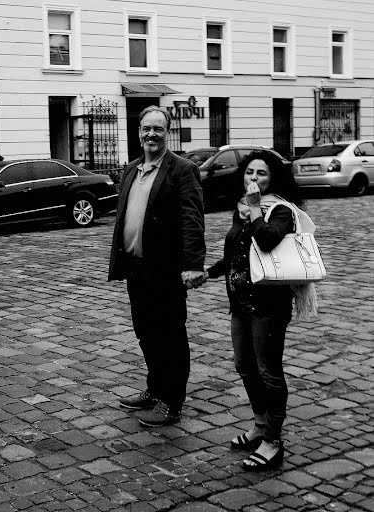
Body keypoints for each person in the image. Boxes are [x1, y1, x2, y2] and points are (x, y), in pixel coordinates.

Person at [202, 149, 306, 471]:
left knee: (268, 371)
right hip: (240, 304)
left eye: (261, 173)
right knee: (245, 366)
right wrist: (207, 273)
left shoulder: (280, 211)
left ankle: (273, 441)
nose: (254, 178)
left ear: (272, 178)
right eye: (249, 173)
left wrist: (258, 207)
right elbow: (236, 254)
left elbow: (266, 240)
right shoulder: (243, 211)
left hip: (269, 306)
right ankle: (260, 424)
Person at [108, 106, 206, 427]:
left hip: (166, 270)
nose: (152, 134)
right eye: (146, 128)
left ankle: (171, 402)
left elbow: (192, 220)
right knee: (145, 332)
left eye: (158, 129)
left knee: (170, 336)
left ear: (168, 132)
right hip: (137, 268)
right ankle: (155, 389)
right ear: (138, 132)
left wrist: (193, 264)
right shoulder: (132, 169)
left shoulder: (182, 169)